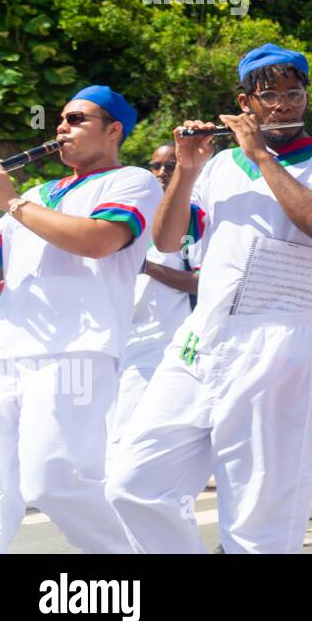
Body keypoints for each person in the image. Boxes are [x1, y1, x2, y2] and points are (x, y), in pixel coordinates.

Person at [106, 43, 312, 553]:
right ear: (245, 103)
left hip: (279, 341)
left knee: (257, 519)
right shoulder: (218, 166)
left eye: (295, 93)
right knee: (132, 486)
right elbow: (167, 239)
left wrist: (261, 155)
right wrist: (186, 168)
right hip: (203, 337)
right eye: (270, 96)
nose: (285, 105)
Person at [0, 85, 162, 553]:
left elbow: (98, 241)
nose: (61, 128)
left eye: (76, 119)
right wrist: (12, 206)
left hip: (77, 350)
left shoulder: (135, 181)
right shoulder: (38, 192)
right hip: (4, 348)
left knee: (54, 481)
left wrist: (10, 203)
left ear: (113, 130)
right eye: (61, 119)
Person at [108, 143, 200, 449]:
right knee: (108, 431)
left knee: (131, 434)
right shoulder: (125, 215)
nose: (161, 173)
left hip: (161, 343)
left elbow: (202, 283)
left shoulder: (192, 220)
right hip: (116, 341)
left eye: (171, 166)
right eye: (156, 166)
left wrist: (145, 266)